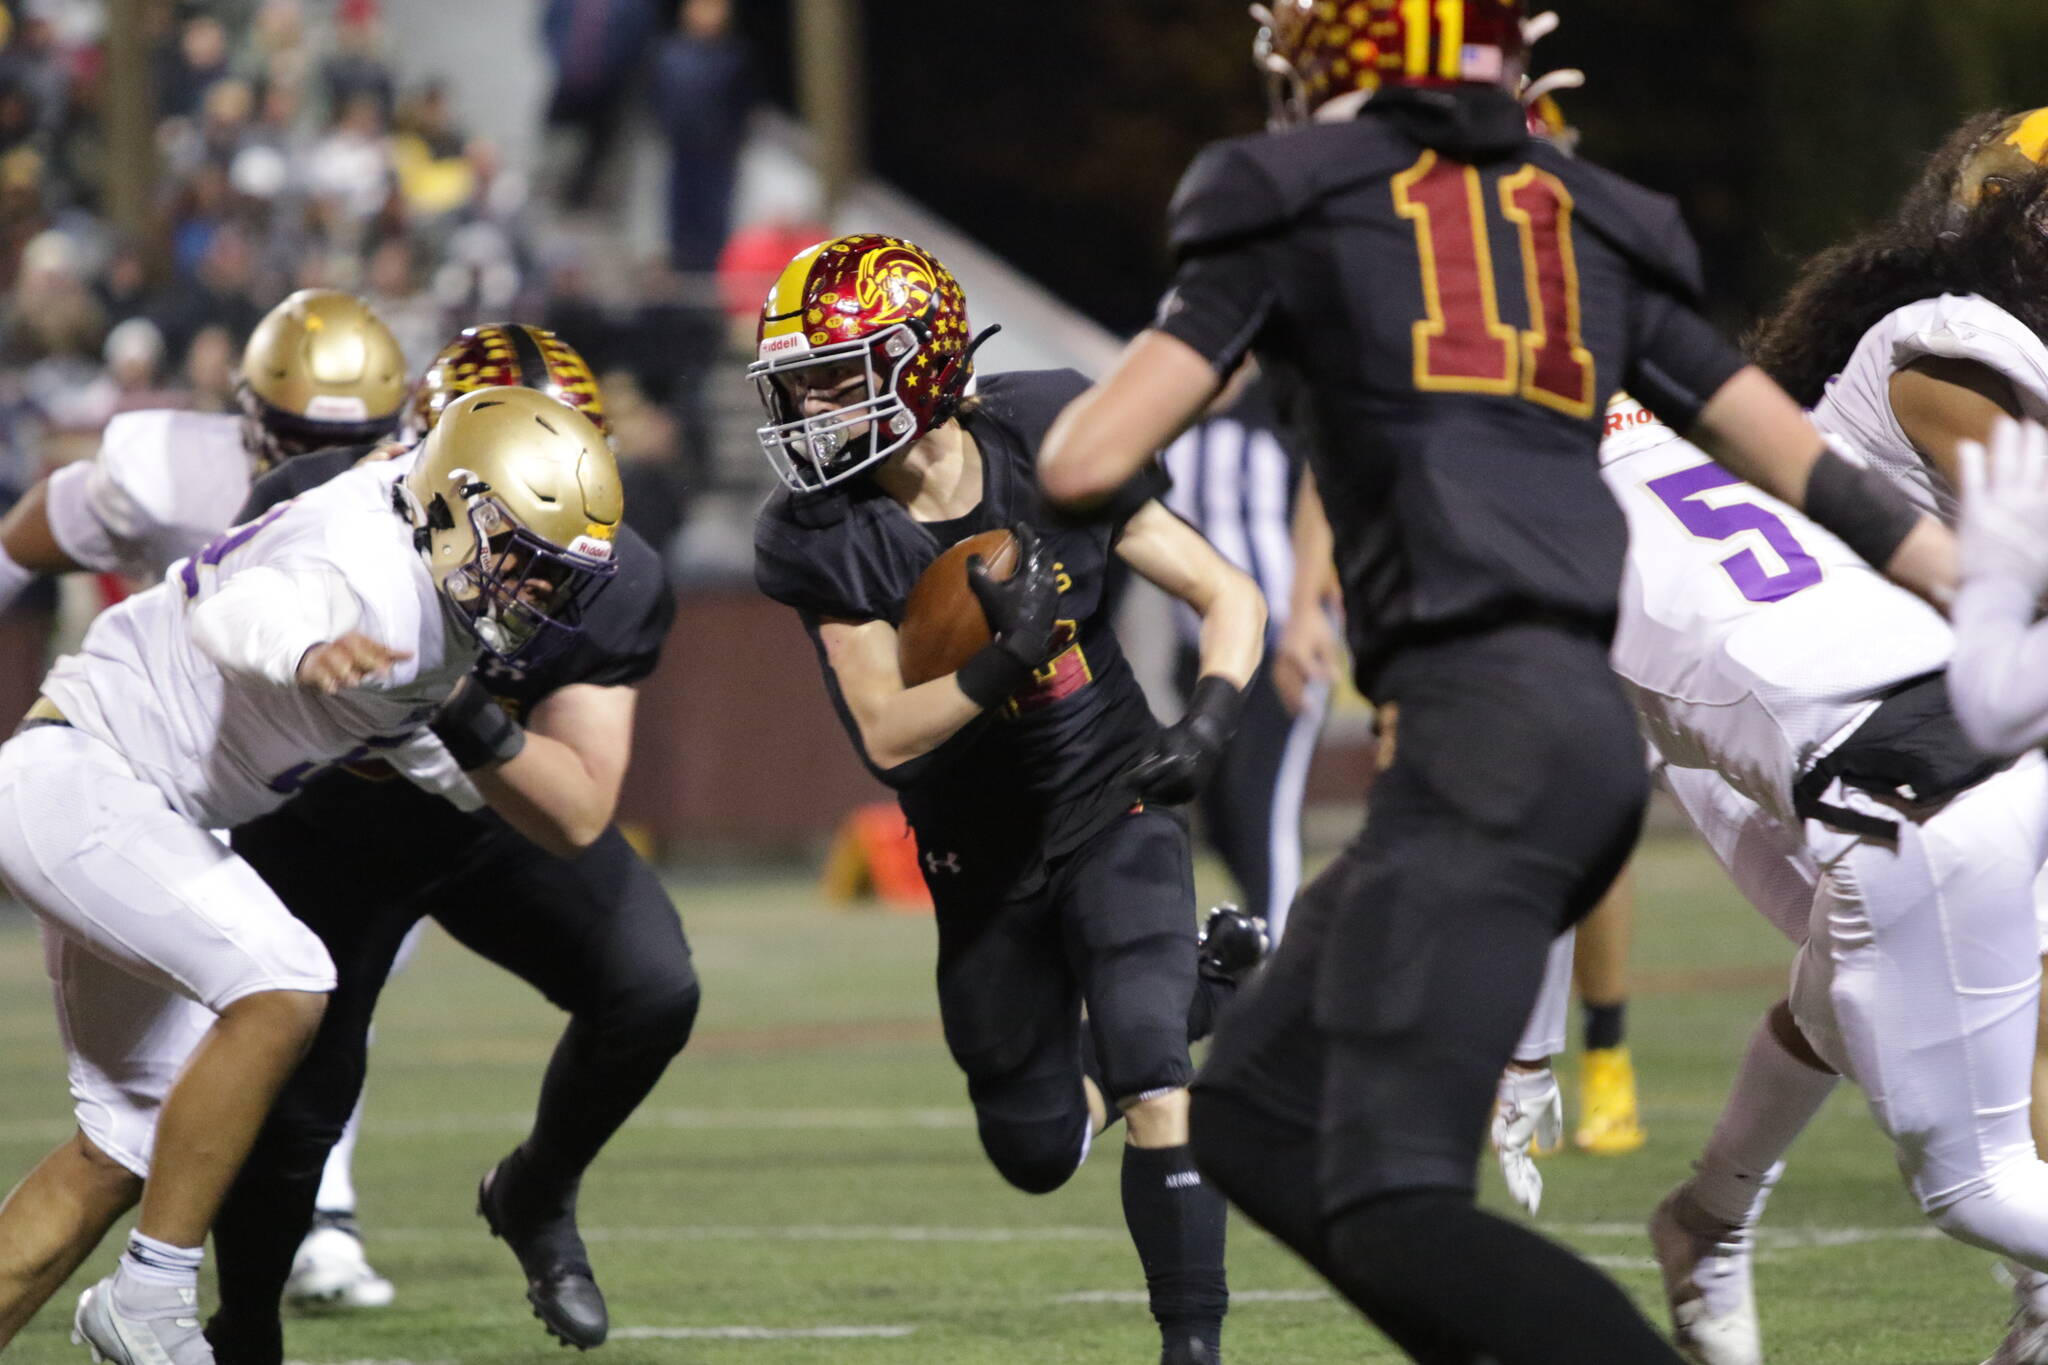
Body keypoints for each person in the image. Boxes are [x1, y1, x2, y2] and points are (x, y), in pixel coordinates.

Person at [1035, 3, 1957, 1359]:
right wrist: (1961, 577)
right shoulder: (1589, 214)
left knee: (1390, 1195)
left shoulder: (1282, 195)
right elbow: (1792, 458)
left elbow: (1079, 460)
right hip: (1565, 734)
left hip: (1482, 736)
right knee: (1252, 1119)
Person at [0, 386, 623, 1364]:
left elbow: (403, 717)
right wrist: (306, 648)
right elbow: (241, 613)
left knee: (131, 1141)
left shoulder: (425, 552)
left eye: (553, 577)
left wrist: (484, 800)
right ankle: (152, 1295)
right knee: (287, 979)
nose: (531, 591)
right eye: (521, 557)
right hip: (89, 777)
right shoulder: (363, 563)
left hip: (121, 799)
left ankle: (136, 1295)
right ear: (454, 505)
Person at [752, 233, 1268, 1365]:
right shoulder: (821, 532)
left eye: (835, 376)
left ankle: (1192, 1345)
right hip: (975, 854)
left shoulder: (1052, 432)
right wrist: (998, 664)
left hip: (1113, 796)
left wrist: (1210, 722)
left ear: (925, 361)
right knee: (1033, 1148)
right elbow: (888, 736)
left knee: (1152, 1075)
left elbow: (1226, 591)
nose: (811, 406)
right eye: (801, 382)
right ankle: (1206, 988)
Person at [202, 326, 692, 1363]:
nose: (550, 503)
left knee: (651, 987)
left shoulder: (613, 574)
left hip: (481, 818)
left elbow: (576, 809)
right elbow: (224, 640)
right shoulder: (326, 503)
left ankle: (536, 1193)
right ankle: (243, 1326)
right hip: (322, 824)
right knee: (300, 1104)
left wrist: (450, 701)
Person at [1584, 396, 2048, 1365]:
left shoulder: (1525, 506)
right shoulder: (1687, 434)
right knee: (1848, 995)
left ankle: (1709, 1222)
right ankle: (1709, 1221)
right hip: (1965, 739)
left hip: (1894, 783)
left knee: (1971, 1181)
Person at [0, 288, 410, 617]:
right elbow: (34, 532)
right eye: (303, 440)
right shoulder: (177, 473)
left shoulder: (418, 496)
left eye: (355, 442)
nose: (325, 463)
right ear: (251, 410)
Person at [1160, 375, 1320, 938]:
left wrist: (1307, 615)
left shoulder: (1280, 403)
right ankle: (1262, 944)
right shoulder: (1168, 417)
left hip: (1277, 643)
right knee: (1222, 816)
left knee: (1262, 812)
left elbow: (1323, 503)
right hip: (1200, 651)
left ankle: (1277, 960)